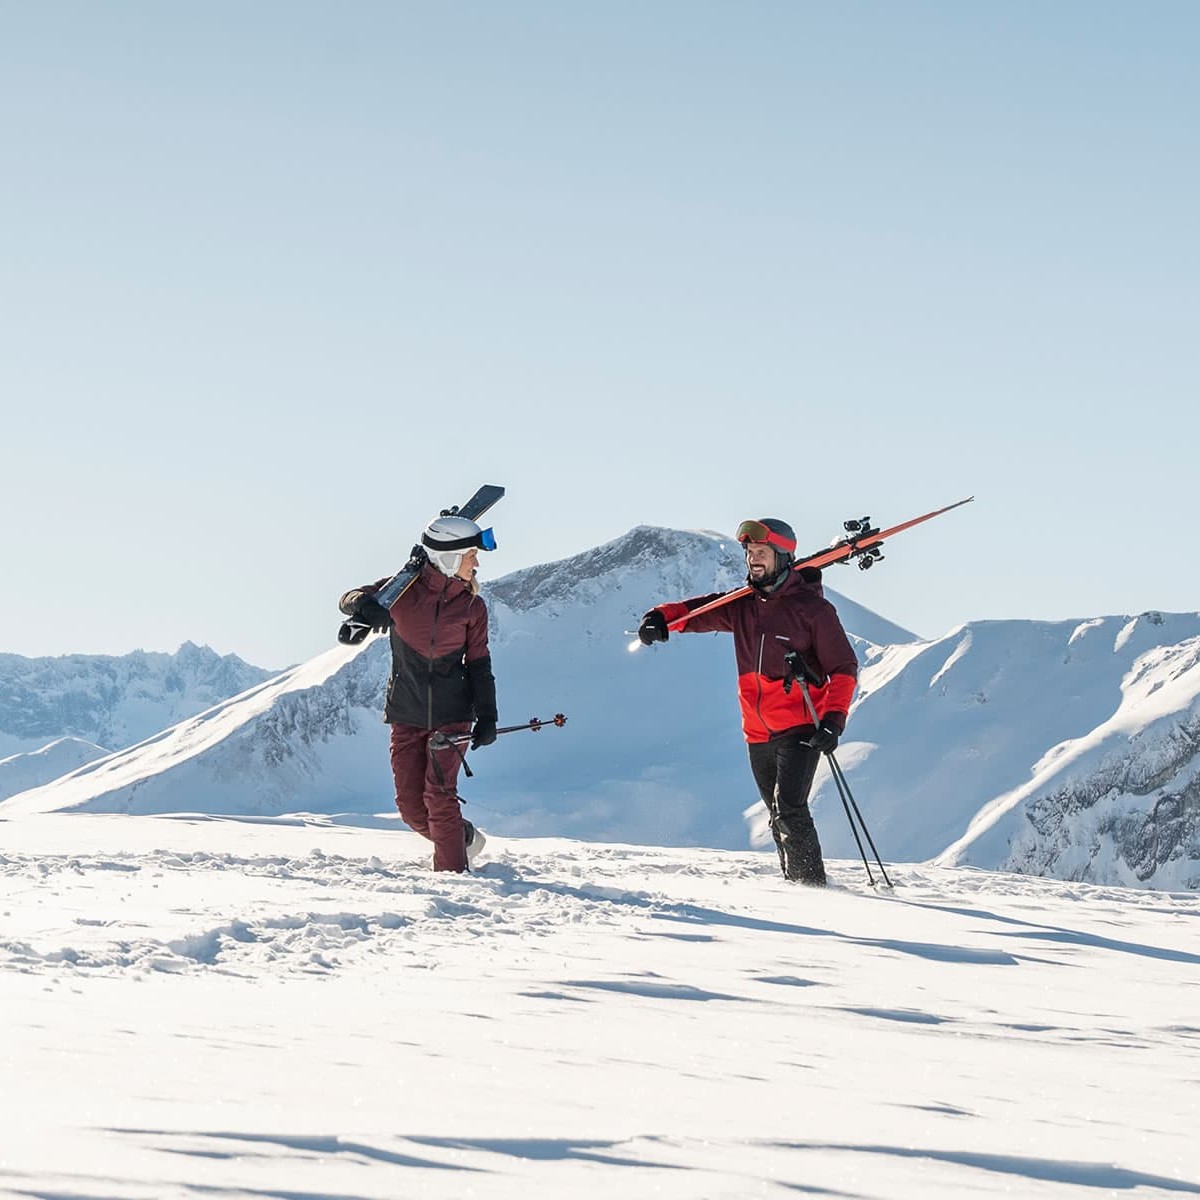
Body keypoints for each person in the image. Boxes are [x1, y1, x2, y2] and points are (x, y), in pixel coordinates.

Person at [637, 517, 858, 885]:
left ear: (783, 557)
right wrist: (661, 618)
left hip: (801, 725)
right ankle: (795, 886)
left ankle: (814, 892)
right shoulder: (743, 605)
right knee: (776, 812)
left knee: (789, 808)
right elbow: (698, 613)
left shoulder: (813, 611)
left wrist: (834, 719)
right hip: (757, 732)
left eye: (762, 553)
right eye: (750, 553)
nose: (754, 560)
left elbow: (844, 667)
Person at [339, 514, 499, 873]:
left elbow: (479, 664)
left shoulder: (472, 606)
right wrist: (364, 606)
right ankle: (464, 839)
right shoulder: (402, 591)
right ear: (450, 558)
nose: (477, 562)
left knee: (439, 798)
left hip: (453, 714)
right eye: (471, 554)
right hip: (406, 713)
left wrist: (488, 714)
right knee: (411, 808)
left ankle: (452, 881)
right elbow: (348, 598)